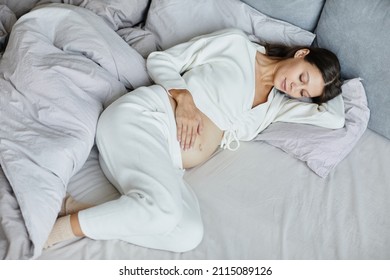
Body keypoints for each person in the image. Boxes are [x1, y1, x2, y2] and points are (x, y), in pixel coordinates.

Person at [45, 28, 344, 252]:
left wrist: (332, 83)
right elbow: (162, 61)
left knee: (188, 233)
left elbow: (334, 118)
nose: (295, 88)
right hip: (145, 118)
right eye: (303, 78)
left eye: (304, 94)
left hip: (165, 160)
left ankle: (79, 209)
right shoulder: (237, 46)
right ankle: (59, 232)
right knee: (165, 211)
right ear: (302, 53)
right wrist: (184, 98)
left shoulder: (277, 106)